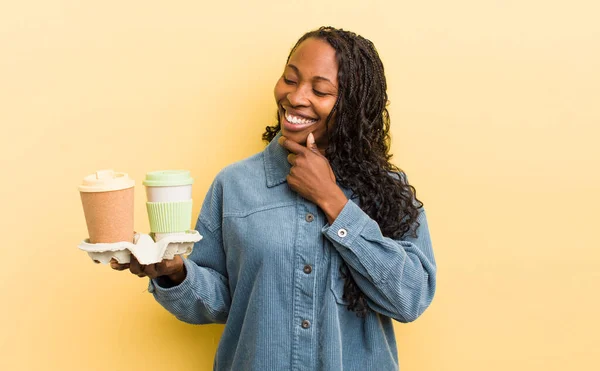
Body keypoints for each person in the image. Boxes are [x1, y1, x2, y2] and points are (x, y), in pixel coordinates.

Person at [112, 26, 437, 371]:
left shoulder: (387, 189)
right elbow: (224, 302)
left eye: (321, 90)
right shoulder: (234, 184)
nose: (296, 98)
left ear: (353, 105)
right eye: (290, 79)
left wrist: (334, 202)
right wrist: (175, 273)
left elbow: (410, 298)